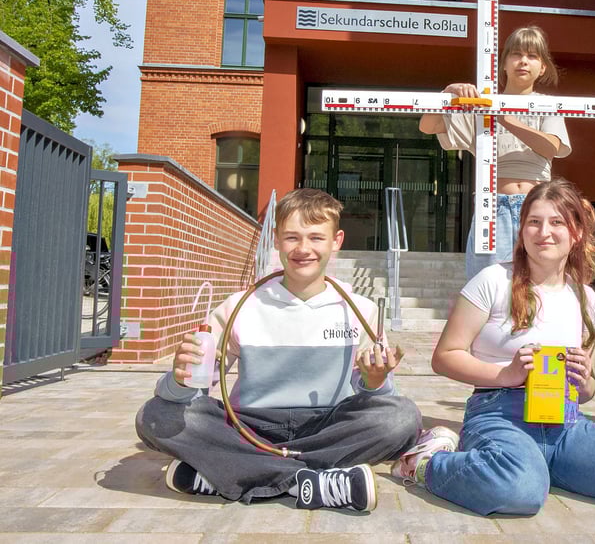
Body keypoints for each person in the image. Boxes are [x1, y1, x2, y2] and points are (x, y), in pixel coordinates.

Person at [135, 188, 451, 512]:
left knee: (401, 417)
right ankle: (312, 482)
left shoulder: (361, 310)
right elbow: (192, 391)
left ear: (336, 241)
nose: (303, 249)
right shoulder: (239, 306)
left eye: (316, 237)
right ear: (276, 240)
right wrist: (179, 377)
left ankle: (231, 473)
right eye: (292, 238)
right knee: (155, 415)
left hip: (326, 426)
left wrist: (375, 380)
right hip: (249, 426)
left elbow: (379, 397)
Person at [389, 179, 595, 515]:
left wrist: (585, 379)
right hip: (499, 415)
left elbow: (588, 391)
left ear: (577, 233)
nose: (544, 232)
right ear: (522, 230)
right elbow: (444, 357)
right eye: (534, 221)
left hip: (566, 420)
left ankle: (541, 468)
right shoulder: (492, 281)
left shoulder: (587, 299)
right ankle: (426, 464)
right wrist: (506, 374)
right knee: (520, 493)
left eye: (557, 222)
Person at [420, 26, 571, 280]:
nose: (523, 61)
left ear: (542, 67)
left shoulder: (546, 104)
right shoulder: (482, 105)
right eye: (516, 54)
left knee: (539, 290)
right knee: (488, 290)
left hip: (537, 209)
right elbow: (427, 126)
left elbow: (551, 147)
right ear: (503, 63)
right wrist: (448, 93)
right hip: (493, 208)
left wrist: (503, 116)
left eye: (532, 56)